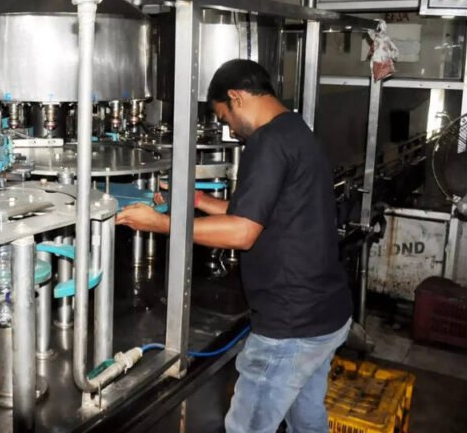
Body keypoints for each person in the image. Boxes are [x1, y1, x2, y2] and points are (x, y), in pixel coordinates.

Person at [116, 59, 353, 433]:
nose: (228, 127)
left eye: (224, 116)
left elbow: (242, 232)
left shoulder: (267, 142)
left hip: (290, 327)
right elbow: (259, 212)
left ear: (236, 97)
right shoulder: (295, 130)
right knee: (306, 420)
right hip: (326, 314)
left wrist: (159, 224)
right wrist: (198, 200)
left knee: (248, 426)